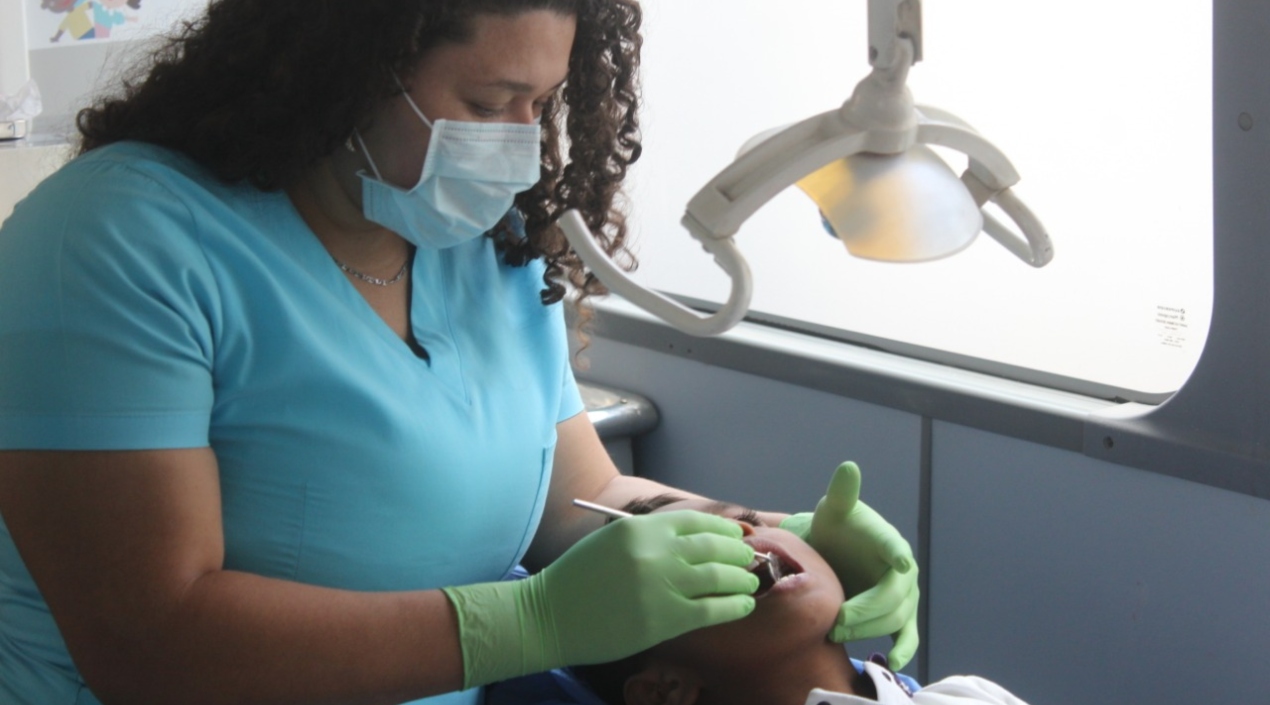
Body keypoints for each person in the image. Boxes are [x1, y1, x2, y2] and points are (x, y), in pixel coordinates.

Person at [0, 3, 918, 705]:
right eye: (486, 102)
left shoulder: (482, 241)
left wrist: (767, 532)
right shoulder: (116, 239)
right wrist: (530, 620)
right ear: (341, 63)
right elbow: (148, 642)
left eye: (540, 103)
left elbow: (575, 498)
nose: (518, 144)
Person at [566, 466, 1030, 705]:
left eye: (745, 519)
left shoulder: (970, 695)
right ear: (663, 691)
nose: (744, 534)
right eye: (696, 548)